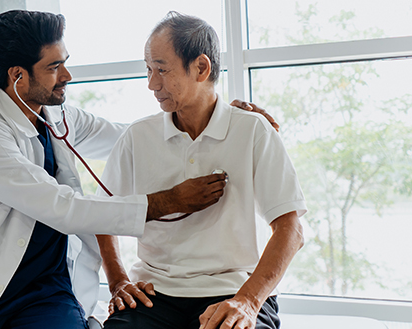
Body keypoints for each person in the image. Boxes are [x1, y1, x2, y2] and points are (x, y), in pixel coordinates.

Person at [0, 9, 275, 329]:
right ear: (18, 76)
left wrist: (209, 113)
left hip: (46, 290)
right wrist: (168, 201)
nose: (67, 76)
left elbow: (134, 137)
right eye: (55, 67)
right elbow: (62, 206)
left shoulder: (58, 116)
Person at [97, 11, 307, 329]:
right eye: (148, 70)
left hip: (233, 290)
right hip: (155, 295)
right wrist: (118, 282)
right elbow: (103, 216)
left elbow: (291, 230)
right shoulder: (137, 137)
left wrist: (248, 302)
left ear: (201, 67)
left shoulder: (253, 130)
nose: (152, 84)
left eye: (162, 71)